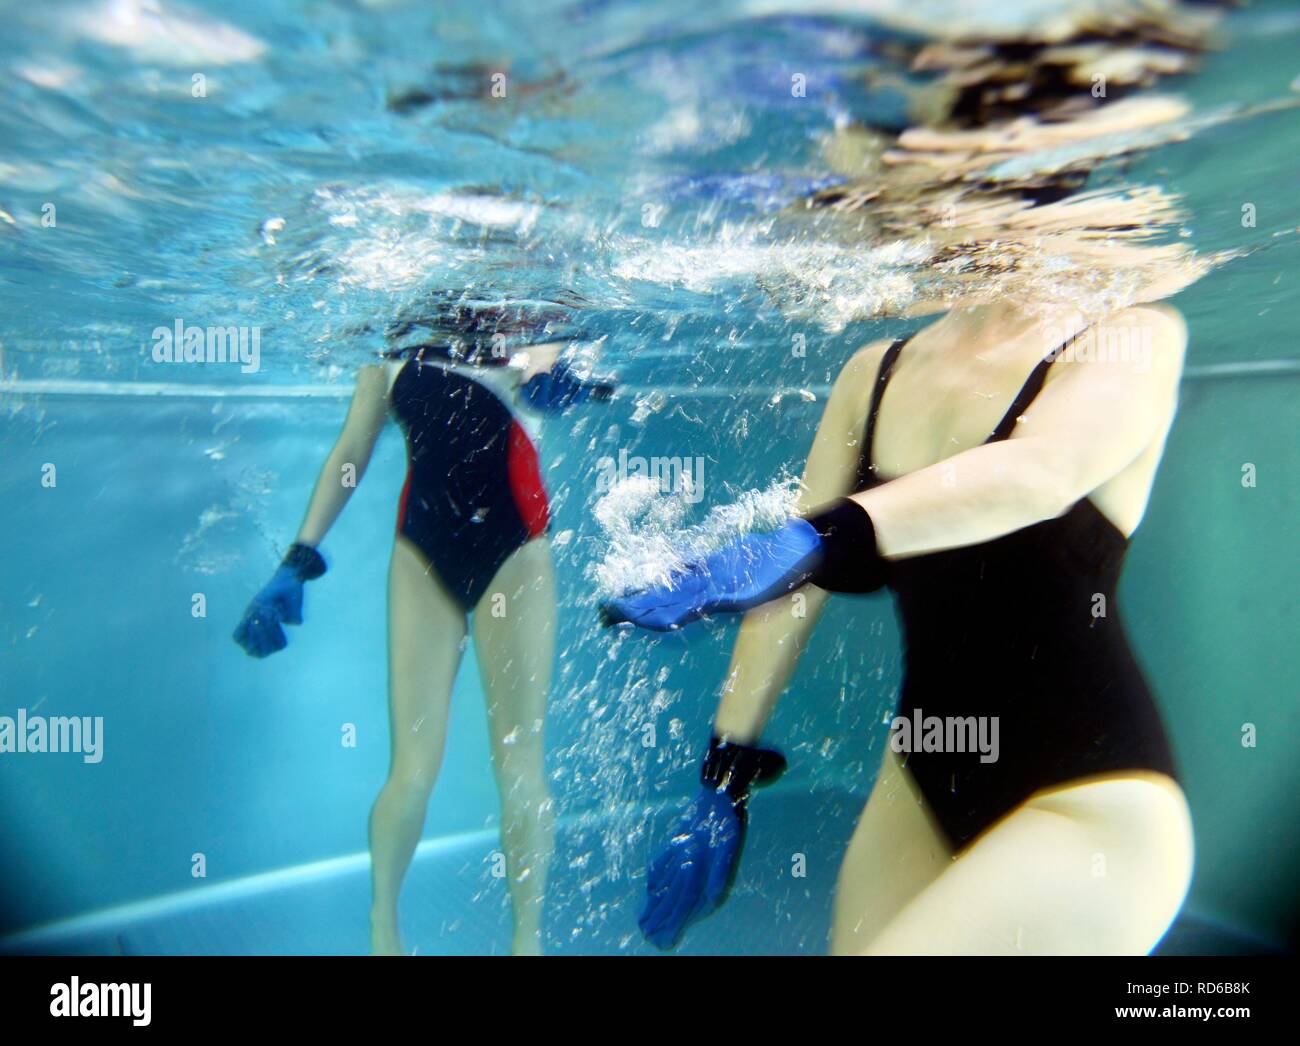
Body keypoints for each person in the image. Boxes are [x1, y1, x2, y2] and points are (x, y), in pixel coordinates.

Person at [605, 299, 1194, 955]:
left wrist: (820, 539)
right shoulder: (871, 374)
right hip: (916, 785)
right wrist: (725, 774)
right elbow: (795, 591)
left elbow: (1040, 473)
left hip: (1090, 805)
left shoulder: (1132, 334)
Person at [234, 308, 613, 955]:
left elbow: (547, 365)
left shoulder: (529, 317)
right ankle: (384, 931)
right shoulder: (388, 334)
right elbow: (352, 449)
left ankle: (529, 944)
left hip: (515, 551)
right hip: (421, 554)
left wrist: (563, 382)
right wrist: (298, 556)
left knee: (519, 762)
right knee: (410, 769)